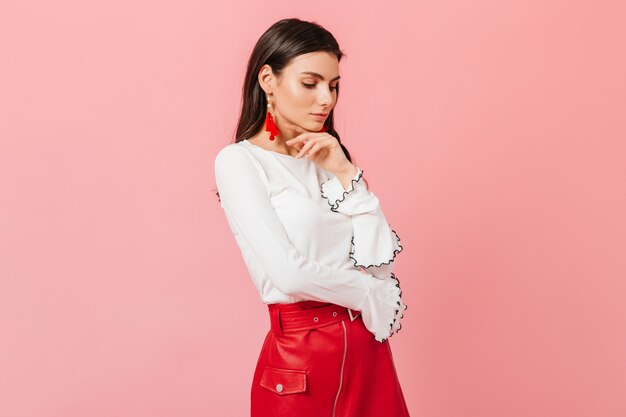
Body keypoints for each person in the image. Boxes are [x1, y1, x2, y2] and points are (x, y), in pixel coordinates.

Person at [214, 18, 410, 417]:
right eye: (311, 83)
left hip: (367, 352)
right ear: (267, 79)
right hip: (302, 360)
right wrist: (367, 295)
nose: (326, 99)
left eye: (334, 86)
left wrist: (346, 174)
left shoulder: (330, 159)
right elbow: (290, 275)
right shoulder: (239, 162)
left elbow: (381, 264)